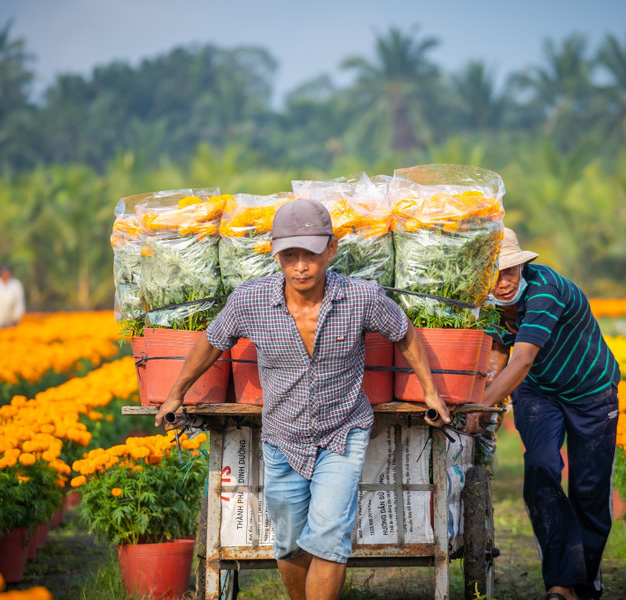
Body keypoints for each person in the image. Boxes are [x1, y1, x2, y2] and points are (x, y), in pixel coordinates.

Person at [154, 198, 451, 600]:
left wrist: (430, 391)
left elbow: (404, 333)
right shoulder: (250, 301)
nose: (300, 266)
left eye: (309, 254)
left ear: (330, 249)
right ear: (276, 255)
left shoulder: (361, 297)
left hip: (342, 433)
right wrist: (175, 394)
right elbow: (211, 342)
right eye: (289, 255)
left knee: (329, 538)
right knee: (291, 544)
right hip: (282, 437)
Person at [465, 228, 621, 600]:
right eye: (494, 273)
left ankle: (585, 584)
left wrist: (482, 404)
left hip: (592, 390)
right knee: (541, 467)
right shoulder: (489, 302)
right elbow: (501, 354)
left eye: (510, 272)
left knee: (589, 489)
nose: (503, 283)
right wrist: (484, 405)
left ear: (522, 267)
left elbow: (522, 359)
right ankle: (559, 582)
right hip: (539, 391)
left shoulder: (546, 290)